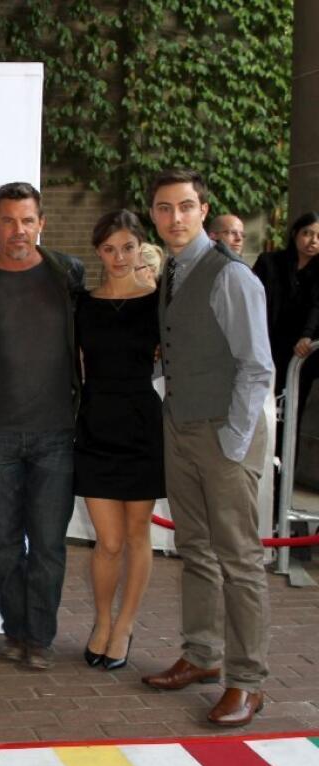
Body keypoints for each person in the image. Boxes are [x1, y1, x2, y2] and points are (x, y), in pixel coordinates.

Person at [141, 169, 274, 727]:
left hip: (225, 432)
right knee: (195, 548)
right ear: (154, 214)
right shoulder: (173, 269)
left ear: (203, 210)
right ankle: (202, 657)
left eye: (186, 207)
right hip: (183, 425)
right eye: (165, 209)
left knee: (239, 559)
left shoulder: (231, 275)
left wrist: (232, 440)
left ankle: (248, 681)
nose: (176, 218)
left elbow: (256, 366)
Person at [0, 182, 84, 670]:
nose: (18, 230)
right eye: (8, 220)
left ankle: (41, 638)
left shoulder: (67, 275)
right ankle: (15, 631)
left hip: (57, 433)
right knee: (7, 544)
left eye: (27, 220)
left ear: (41, 223)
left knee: (50, 544)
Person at [74, 210, 164, 672]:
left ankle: (124, 625)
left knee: (136, 533)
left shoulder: (158, 301)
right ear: (98, 252)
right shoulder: (84, 303)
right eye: (110, 249)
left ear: (140, 248)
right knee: (107, 541)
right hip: (95, 424)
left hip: (141, 424)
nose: (119, 257)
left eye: (128, 247)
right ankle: (101, 621)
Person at [252, 212, 319, 403]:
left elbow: (317, 306)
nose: (313, 241)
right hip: (265, 344)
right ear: (295, 234)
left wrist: (307, 335)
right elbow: (254, 300)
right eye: (307, 233)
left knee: (292, 407)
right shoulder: (269, 262)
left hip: (299, 350)